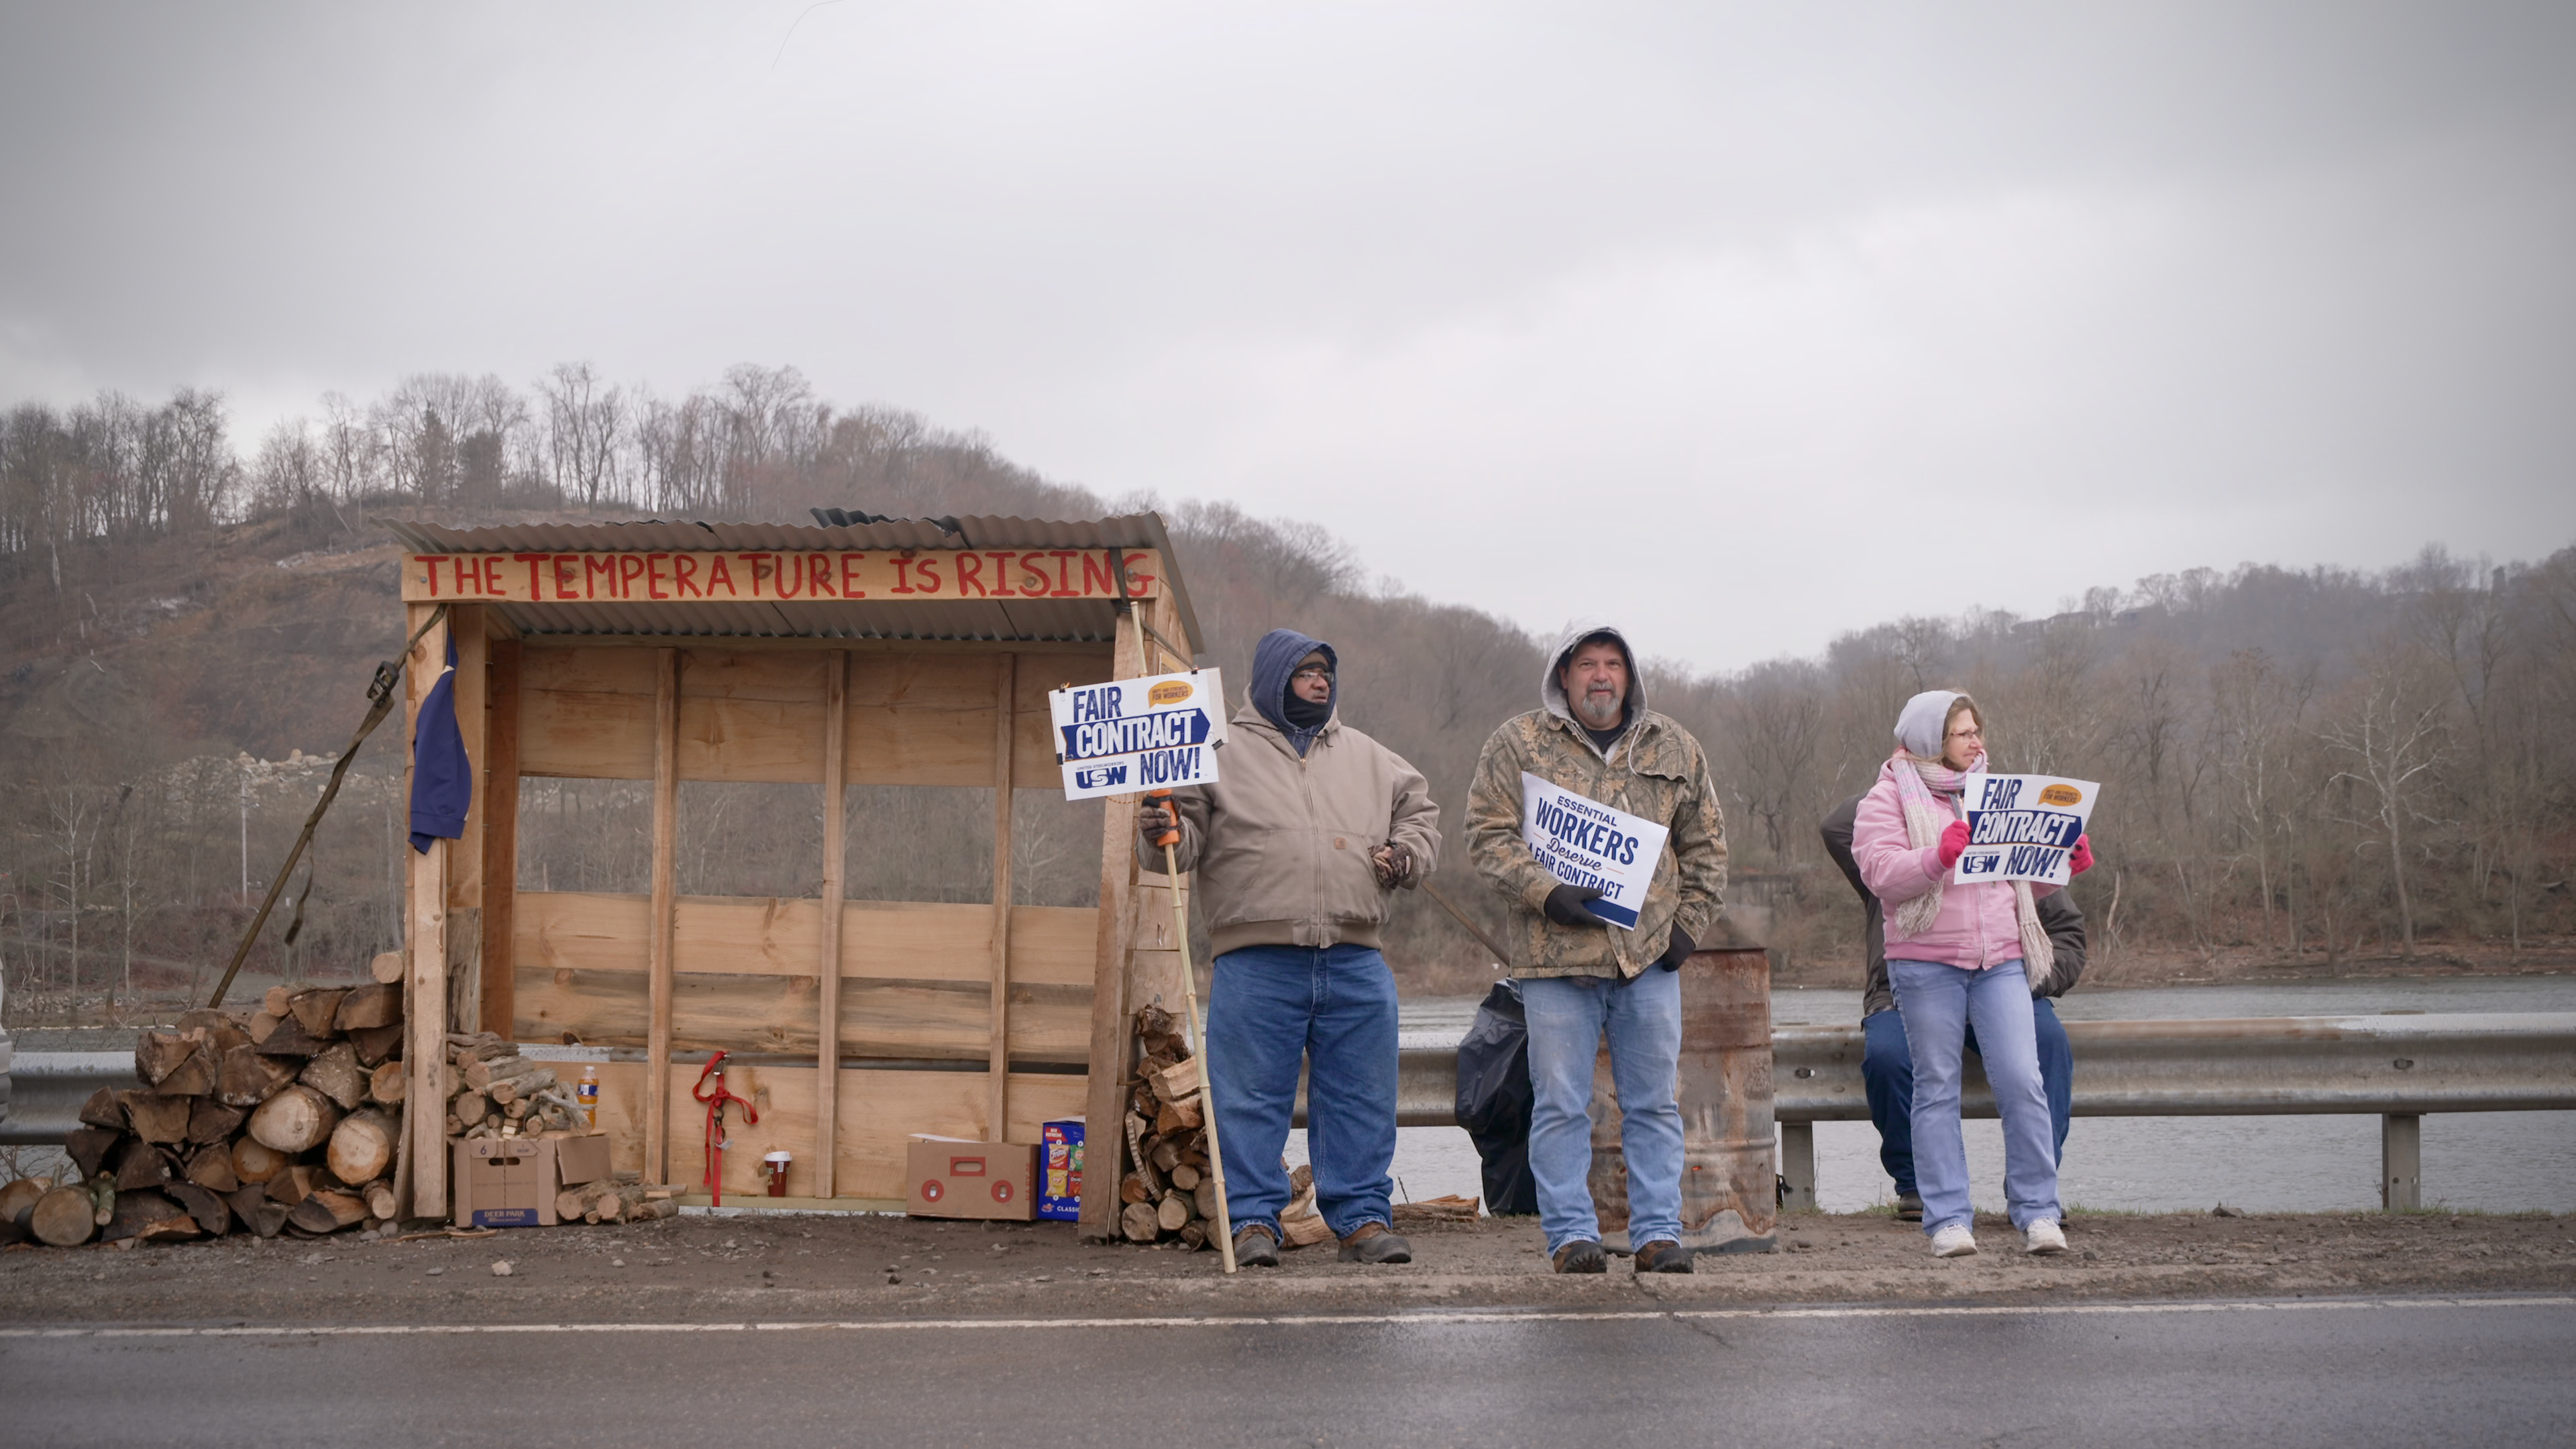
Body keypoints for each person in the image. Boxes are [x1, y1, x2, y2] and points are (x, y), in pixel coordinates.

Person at [1136, 628, 1440, 1268]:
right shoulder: (1212, 750)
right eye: (1305, 672)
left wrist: (1406, 854)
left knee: (1362, 1094)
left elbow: (1419, 811)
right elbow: (1180, 843)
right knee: (1249, 1095)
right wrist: (1160, 827)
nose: (1320, 682)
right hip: (1255, 957)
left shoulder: (1369, 756)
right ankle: (1253, 1220)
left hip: (1356, 956)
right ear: (1275, 679)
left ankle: (1360, 1219)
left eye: (1326, 672)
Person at [1465, 621, 1727, 1275]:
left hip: (1648, 962)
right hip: (1554, 961)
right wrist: (1547, 893)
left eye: (1613, 664)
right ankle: (1570, 1237)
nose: (1602, 675)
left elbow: (1708, 846)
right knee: (1558, 1105)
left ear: (1629, 676)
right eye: (1588, 664)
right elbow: (1487, 837)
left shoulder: (1674, 745)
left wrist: (1690, 926)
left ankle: (1659, 1235)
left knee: (1655, 1105)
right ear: (1564, 675)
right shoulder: (1518, 742)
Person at [1851, 690, 2096, 1256]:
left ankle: (2037, 1211)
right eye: (1963, 733)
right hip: (1925, 963)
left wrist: (2060, 866)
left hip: (2001, 961)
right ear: (1930, 739)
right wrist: (1938, 855)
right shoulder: (1886, 798)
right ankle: (1948, 1220)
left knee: (2022, 1080)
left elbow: (2013, 881)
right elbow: (1882, 874)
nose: (1976, 742)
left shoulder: (1998, 793)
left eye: (1977, 731)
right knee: (1936, 1088)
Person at [1821, 792, 2086, 1222]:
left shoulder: (2017, 851)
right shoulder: (1892, 852)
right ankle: (1917, 1187)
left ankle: (2034, 1188)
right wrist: (1916, 788)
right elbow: (1836, 825)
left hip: (2002, 982)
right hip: (1907, 987)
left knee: (2050, 1044)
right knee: (1889, 1058)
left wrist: (2026, 984)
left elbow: (2069, 939)